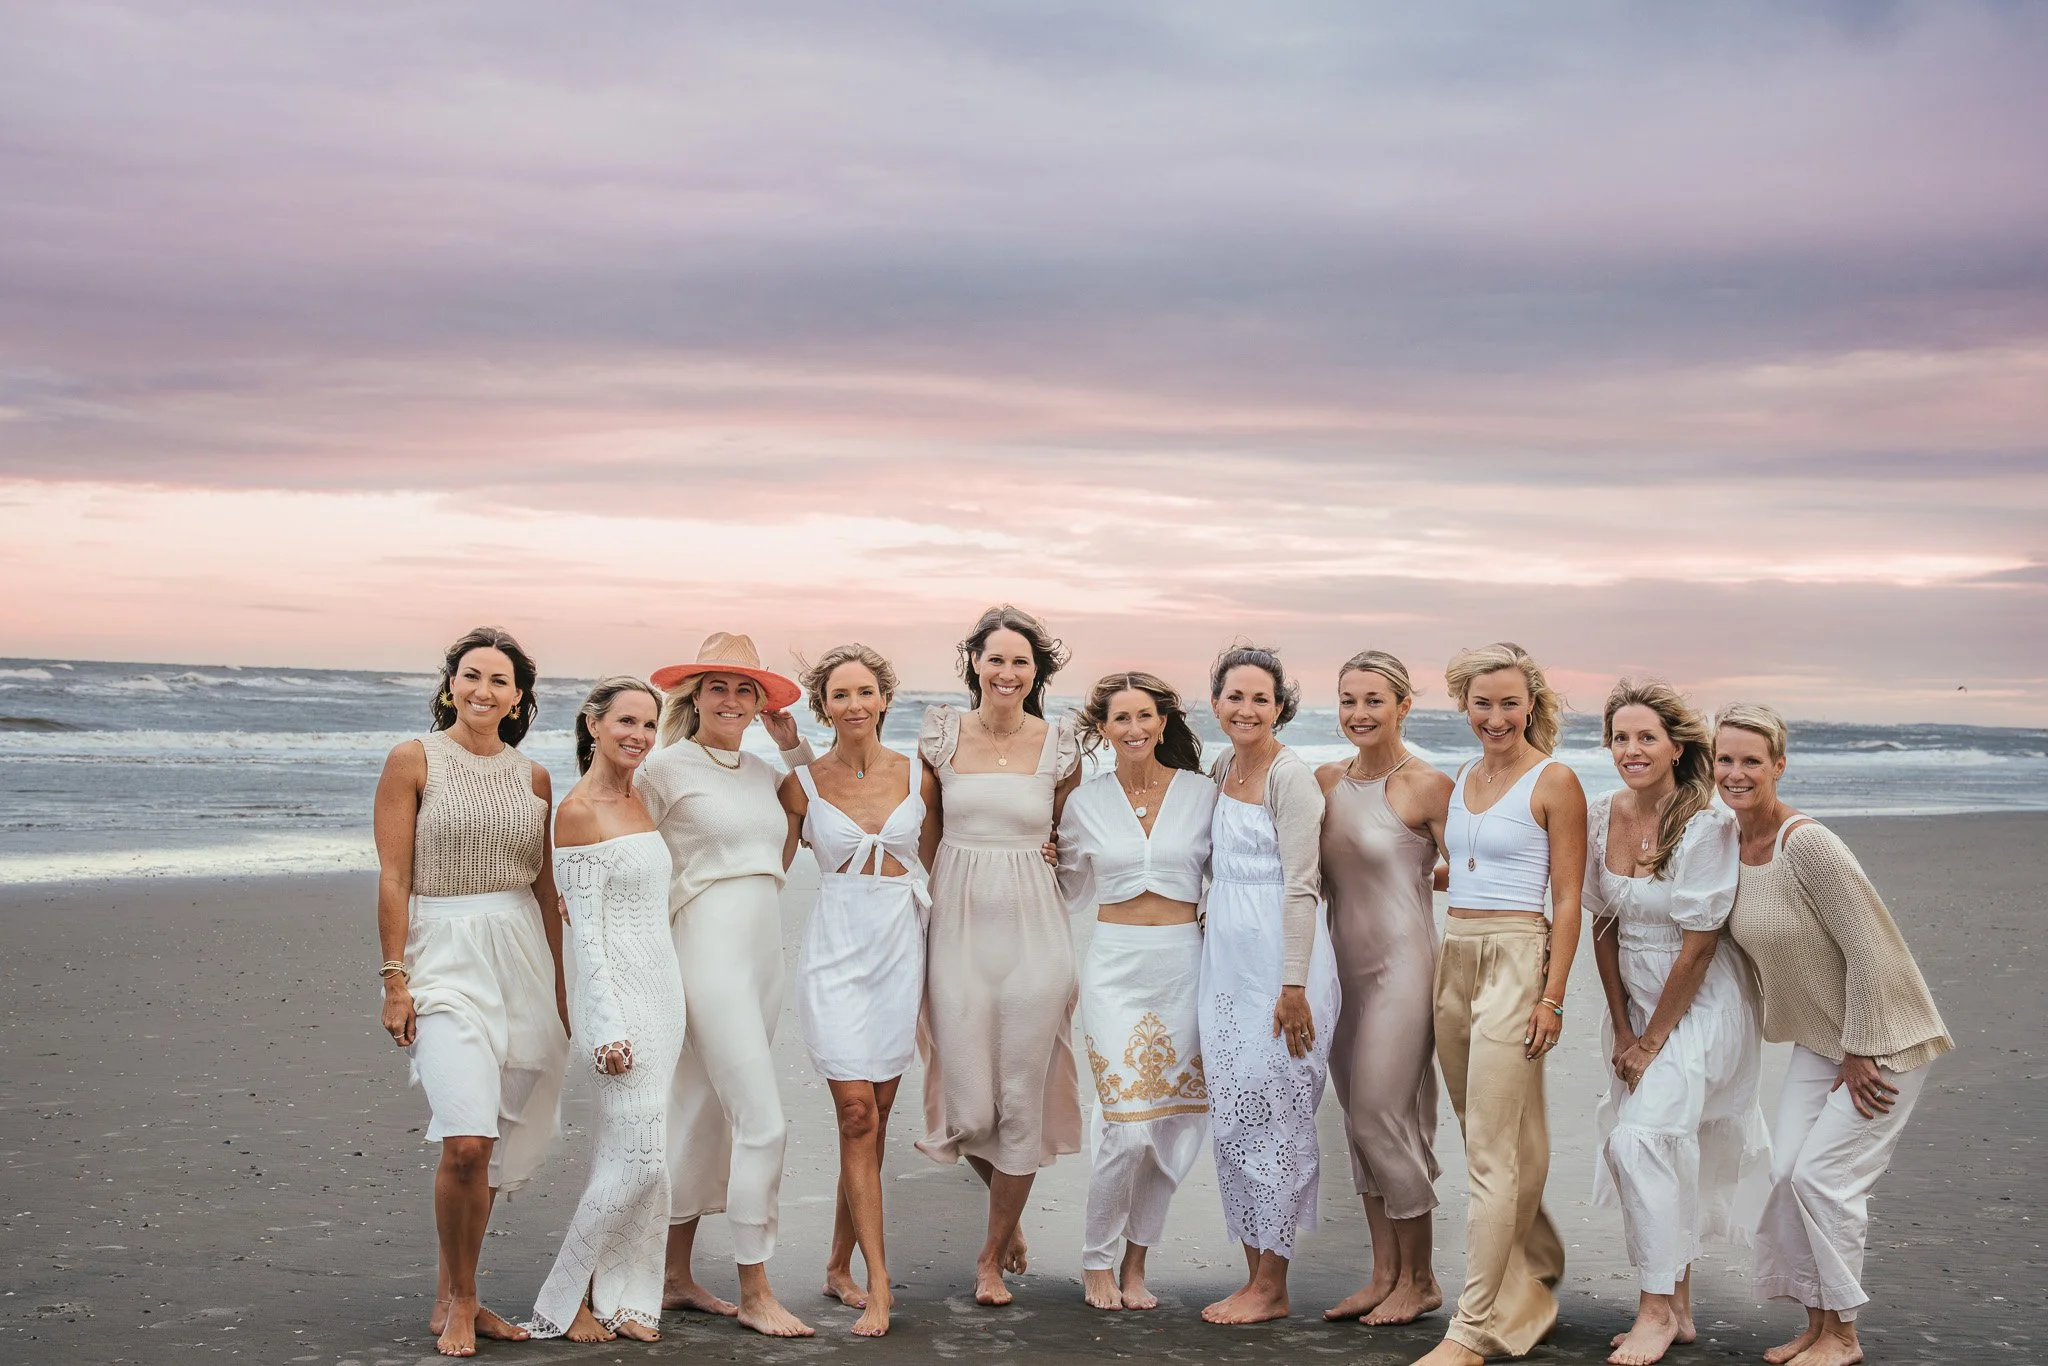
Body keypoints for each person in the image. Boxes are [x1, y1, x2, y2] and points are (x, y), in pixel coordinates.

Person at [1717, 703, 1952, 1366]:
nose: (1736, 773)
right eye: (1725, 759)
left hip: (1884, 1042)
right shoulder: (1729, 845)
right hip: (1821, 1043)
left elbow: (1874, 950)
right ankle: (1818, 1326)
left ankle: (1843, 1336)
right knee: (1787, 1174)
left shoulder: (1808, 844)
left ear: (1779, 766)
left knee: (1824, 1178)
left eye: (1751, 761)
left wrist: (1860, 1049)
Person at [371, 626, 569, 1358]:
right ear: (451, 683)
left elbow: (546, 892)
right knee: (465, 1138)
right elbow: (393, 876)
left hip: (518, 950)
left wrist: (561, 990)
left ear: (520, 698)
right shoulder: (414, 760)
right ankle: (462, 1300)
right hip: (444, 952)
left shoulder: (536, 777)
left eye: (499, 681)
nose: (483, 690)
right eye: (471, 675)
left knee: (496, 1134)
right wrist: (395, 980)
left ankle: (455, 1287)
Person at [1585, 681, 1771, 1366]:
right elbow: (1600, 928)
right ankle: (1680, 1304)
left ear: (1676, 746)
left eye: (1646, 738)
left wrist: (1655, 1038)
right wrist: (1623, 1029)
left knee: (1644, 1140)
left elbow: (1698, 946)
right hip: (1634, 1004)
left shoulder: (1706, 823)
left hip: (1698, 1005)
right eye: (1621, 738)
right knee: (1662, 1144)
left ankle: (1655, 1309)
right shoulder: (1601, 812)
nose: (1631, 750)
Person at [637, 632, 816, 1338]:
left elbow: (814, 810)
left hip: (760, 951)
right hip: (702, 950)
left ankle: (674, 1277)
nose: (732, 699)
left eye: (747, 689)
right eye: (719, 686)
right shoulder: (663, 769)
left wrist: (793, 744)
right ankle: (756, 1288)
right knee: (762, 1120)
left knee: (705, 1112)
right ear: (694, 695)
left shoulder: (765, 771)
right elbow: (628, 854)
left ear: (761, 701)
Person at [1415, 642, 1585, 1366]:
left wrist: (1552, 997)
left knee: (1490, 1149)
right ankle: (1533, 1268)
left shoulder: (1556, 781)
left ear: (1531, 703)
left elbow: (1570, 898)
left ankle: (1473, 1329)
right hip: (1453, 956)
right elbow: (1470, 861)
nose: (1495, 717)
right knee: (1490, 1130)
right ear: (1464, 706)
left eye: (1509, 702)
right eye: (1482, 703)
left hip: (1519, 962)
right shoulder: (1462, 779)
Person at [916, 604, 1084, 1307]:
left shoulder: (1062, 744)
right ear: (974, 665)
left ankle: (990, 1255)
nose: (1008, 671)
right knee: (969, 1101)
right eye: (996, 659)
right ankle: (1008, 1218)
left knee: (1020, 1094)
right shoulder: (940, 735)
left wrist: (1057, 853)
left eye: (1021, 660)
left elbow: (1072, 839)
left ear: (1036, 670)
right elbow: (925, 834)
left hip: (1034, 929)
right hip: (955, 925)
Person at [526, 678, 684, 1344]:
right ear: (593, 724)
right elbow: (582, 935)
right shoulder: (579, 811)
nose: (638, 736)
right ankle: (563, 1301)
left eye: (649, 725)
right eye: (626, 721)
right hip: (614, 1003)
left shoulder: (642, 799)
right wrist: (605, 1026)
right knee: (637, 1161)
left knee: (644, 1155)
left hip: (664, 994)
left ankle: (627, 1298)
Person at [1055, 671, 1217, 1312]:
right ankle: (1096, 1260)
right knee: (1125, 1124)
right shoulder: (1085, 803)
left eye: (1145, 716)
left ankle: (1136, 1263)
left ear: (1163, 722)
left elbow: (1235, 875)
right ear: (1103, 728)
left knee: (1172, 1127)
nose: (1134, 729)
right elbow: (1068, 889)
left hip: (1185, 966)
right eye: (1120, 719)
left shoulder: (1204, 794)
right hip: (1115, 968)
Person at [778, 644, 927, 1338]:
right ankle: (879, 1285)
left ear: (884, 698)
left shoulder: (920, 771)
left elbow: (963, 844)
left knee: (878, 1114)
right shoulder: (801, 781)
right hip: (835, 950)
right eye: (840, 695)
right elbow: (760, 859)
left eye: (865, 691)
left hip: (901, 946)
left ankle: (838, 1263)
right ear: (823, 706)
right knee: (856, 1113)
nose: (855, 705)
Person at [1198, 643, 1341, 1325]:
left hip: (1284, 968)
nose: (1247, 708)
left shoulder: (1293, 778)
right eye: (1235, 697)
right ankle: (1254, 1274)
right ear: (1217, 703)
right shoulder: (1221, 766)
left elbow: (1303, 886)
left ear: (1279, 705)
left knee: (1278, 1111)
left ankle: (1273, 1284)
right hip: (1225, 964)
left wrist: (1292, 986)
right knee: (1234, 1115)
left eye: (1261, 698)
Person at [1316, 650, 1452, 1328]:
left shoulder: (1428, 784)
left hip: (1404, 968)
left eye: (1374, 700)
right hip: (1339, 973)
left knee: (1381, 1114)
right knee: (1358, 1122)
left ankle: (1421, 1278)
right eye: (1348, 701)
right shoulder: (1323, 781)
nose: (1359, 714)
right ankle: (1383, 1274)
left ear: (1403, 706)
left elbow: (1487, 861)